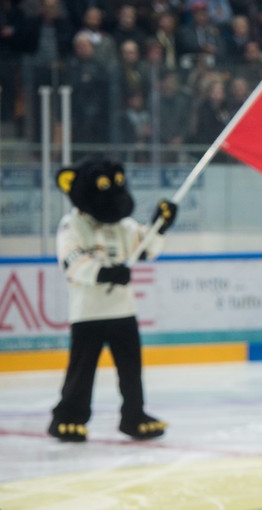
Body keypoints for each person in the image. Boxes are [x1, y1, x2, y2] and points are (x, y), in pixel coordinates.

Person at [49, 157, 177, 442]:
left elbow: (146, 247)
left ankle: (134, 415)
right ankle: (68, 416)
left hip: (123, 309)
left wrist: (160, 225)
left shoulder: (123, 226)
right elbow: (71, 261)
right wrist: (104, 273)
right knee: (82, 369)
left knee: (131, 369)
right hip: (88, 312)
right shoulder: (73, 224)